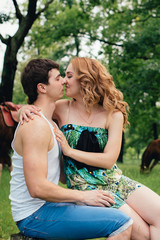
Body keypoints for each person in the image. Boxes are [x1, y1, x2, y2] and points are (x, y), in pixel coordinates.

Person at [19, 57, 160, 240]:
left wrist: (70, 152)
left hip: (114, 180)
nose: (64, 81)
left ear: (85, 80)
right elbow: (36, 107)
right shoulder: (62, 108)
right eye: (63, 76)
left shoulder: (113, 113)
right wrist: (23, 109)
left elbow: (109, 160)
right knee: (144, 234)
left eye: (69, 76)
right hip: (85, 186)